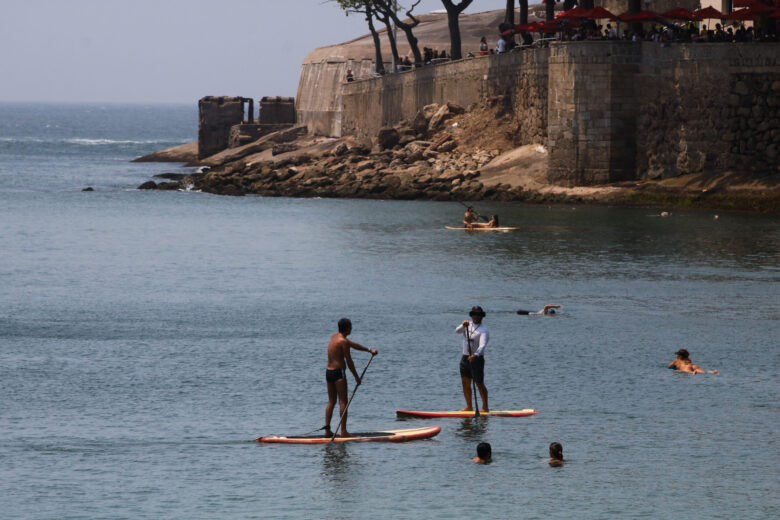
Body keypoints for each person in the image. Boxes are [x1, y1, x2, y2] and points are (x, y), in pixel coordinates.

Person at [324, 318, 378, 437]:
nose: (352, 328)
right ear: (348, 328)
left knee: (331, 401)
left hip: (328, 372)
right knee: (343, 401)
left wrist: (368, 350)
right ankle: (343, 431)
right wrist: (357, 377)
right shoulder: (344, 342)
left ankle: (327, 430)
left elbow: (353, 344)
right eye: (351, 326)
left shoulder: (335, 337)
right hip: (339, 373)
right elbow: (349, 361)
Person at [455, 306, 490, 412]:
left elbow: (483, 345)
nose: (476, 316)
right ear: (472, 315)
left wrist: (475, 355)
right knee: (465, 382)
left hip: (477, 359)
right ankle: (469, 406)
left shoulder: (484, 330)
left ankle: (485, 407)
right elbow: (457, 331)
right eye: (474, 314)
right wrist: (462, 325)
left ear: (481, 317)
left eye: (478, 314)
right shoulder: (467, 325)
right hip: (465, 357)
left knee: (479, 383)